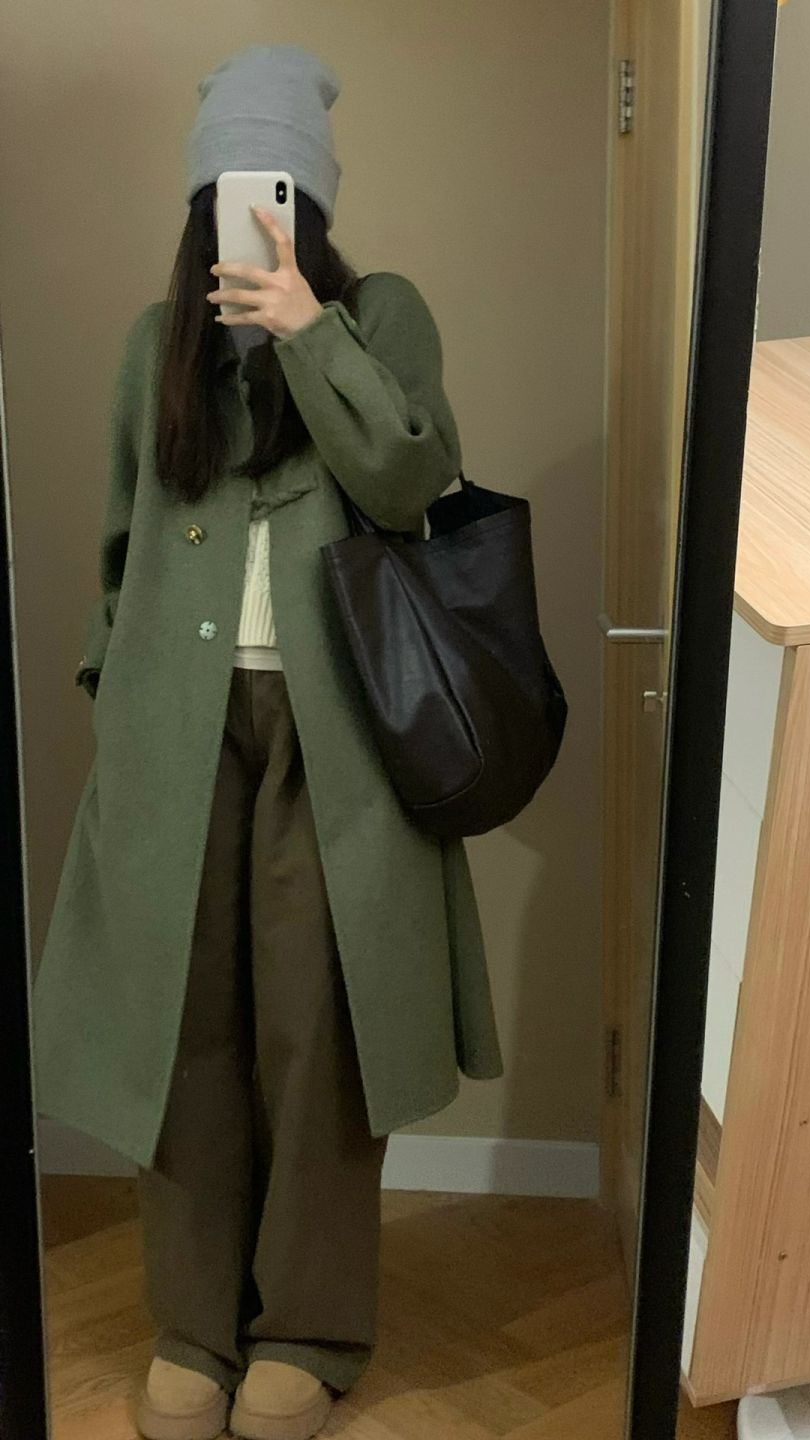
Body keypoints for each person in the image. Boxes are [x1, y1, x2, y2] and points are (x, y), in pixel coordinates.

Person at [32, 42, 503, 1440]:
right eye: (234, 193)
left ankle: (306, 1328)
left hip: (336, 736)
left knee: (319, 1038)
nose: (256, 217)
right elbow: (120, 543)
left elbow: (412, 480)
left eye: (281, 191)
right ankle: (193, 1327)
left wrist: (310, 331)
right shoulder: (154, 344)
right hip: (174, 736)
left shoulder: (382, 314)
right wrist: (112, 695)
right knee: (182, 1035)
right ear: (201, 204)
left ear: (315, 203)